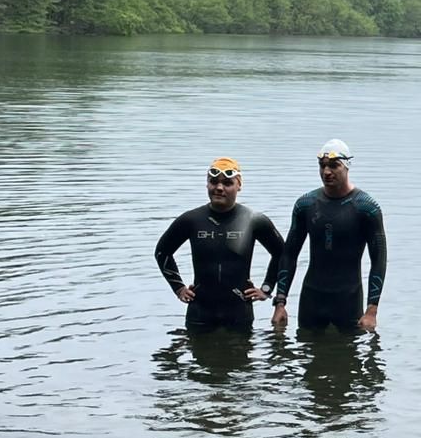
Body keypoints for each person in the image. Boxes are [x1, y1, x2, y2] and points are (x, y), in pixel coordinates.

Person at [154, 157, 284, 332]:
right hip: (200, 313)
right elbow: (162, 252)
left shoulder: (254, 220)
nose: (219, 188)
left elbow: (282, 253)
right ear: (207, 184)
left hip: (239, 314)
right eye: (214, 182)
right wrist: (179, 288)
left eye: (227, 183)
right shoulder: (191, 219)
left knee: (240, 350)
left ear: (239, 186)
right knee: (197, 350)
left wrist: (266, 289)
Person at [272, 139, 387, 332]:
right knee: (306, 349)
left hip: (348, 300)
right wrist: (280, 302)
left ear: (347, 166)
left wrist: (372, 309)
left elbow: (379, 260)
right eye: (322, 165)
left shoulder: (366, 208)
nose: (326, 171)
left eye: (334, 166)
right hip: (311, 300)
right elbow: (289, 254)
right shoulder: (306, 204)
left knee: (349, 350)